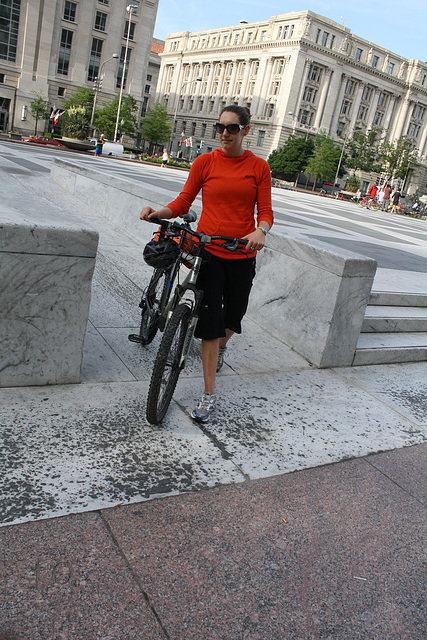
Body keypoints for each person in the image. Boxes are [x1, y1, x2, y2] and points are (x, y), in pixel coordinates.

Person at [140, 105, 274, 423]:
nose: (224, 134)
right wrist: (157, 213)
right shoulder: (205, 162)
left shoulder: (259, 167)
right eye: (220, 128)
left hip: (242, 253)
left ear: (246, 130)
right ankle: (209, 392)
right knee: (210, 324)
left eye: (232, 128)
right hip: (209, 250)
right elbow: (184, 200)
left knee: (234, 315)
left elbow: (266, 211)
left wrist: (261, 230)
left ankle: (222, 346)